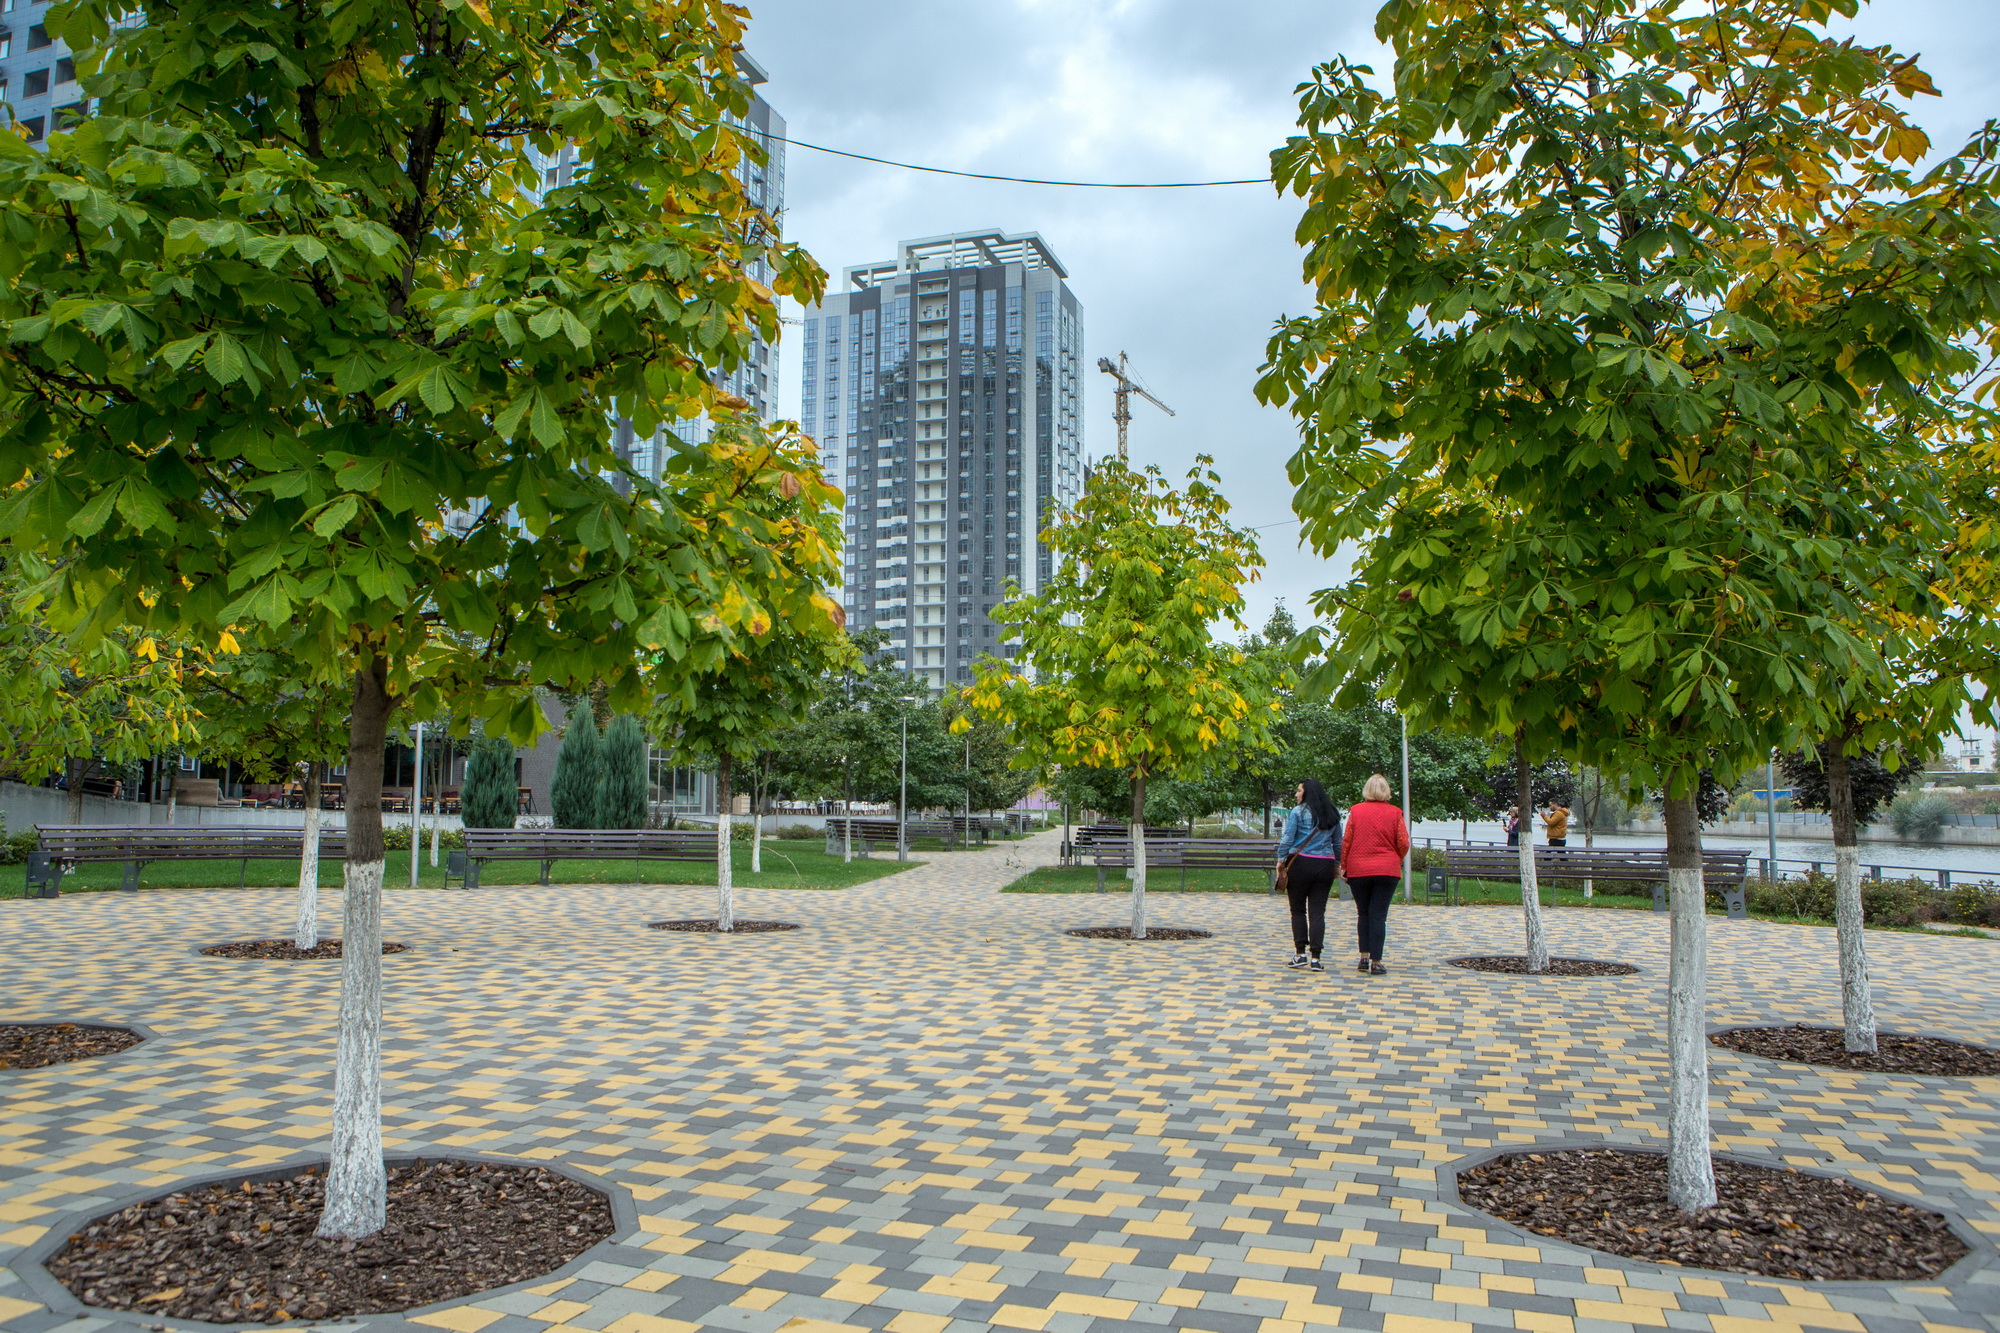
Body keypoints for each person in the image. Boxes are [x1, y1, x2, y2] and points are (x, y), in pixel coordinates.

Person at [1341, 773, 1411, 976]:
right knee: (1378, 916)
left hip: (1359, 868)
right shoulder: (1395, 813)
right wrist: (1395, 858)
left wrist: (1344, 866)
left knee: (1363, 913)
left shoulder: (1356, 811)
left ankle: (1363, 956)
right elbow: (1404, 842)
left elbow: (1347, 840)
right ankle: (1377, 961)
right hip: (1386, 870)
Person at [1273, 778, 1342, 972]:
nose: (1296, 794)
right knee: (1318, 912)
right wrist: (1337, 864)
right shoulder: (1332, 813)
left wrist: (1281, 859)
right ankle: (1316, 958)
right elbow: (1338, 843)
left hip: (1300, 863)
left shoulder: (1298, 812)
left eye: (1299, 790)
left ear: (1307, 793)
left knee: (1298, 910)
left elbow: (1288, 837)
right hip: (1325, 865)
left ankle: (1300, 953)